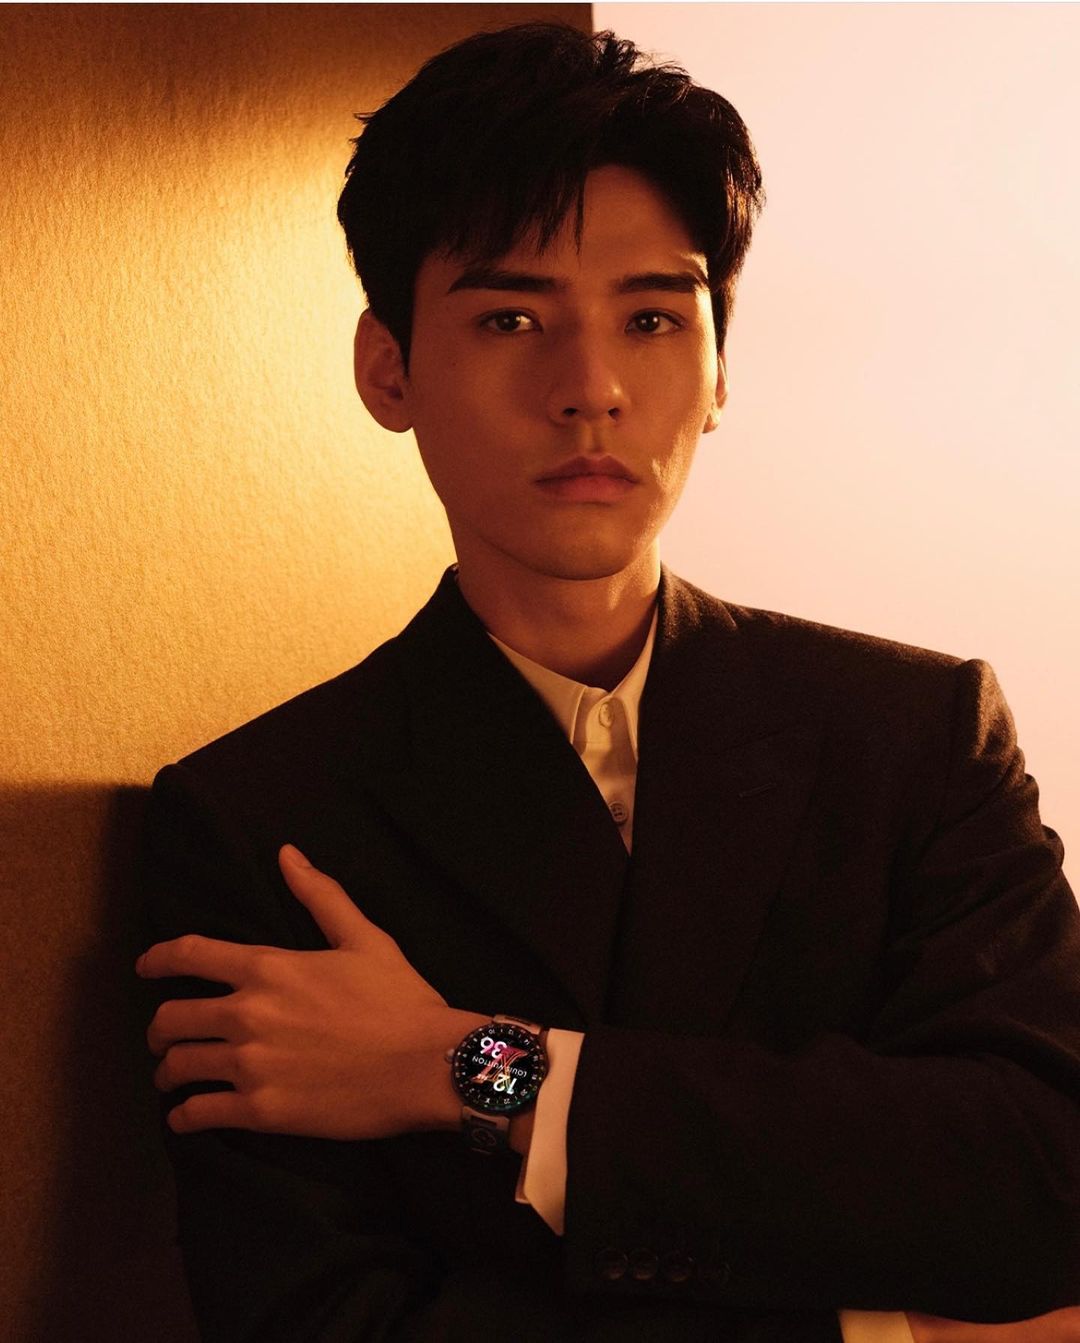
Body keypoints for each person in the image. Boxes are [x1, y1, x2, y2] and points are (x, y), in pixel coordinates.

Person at [137, 23, 1080, 1343]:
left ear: (721, 367)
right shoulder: (261, 822)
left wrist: (473, 1069)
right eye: (511, 318)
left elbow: (1044, 1180)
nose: (591, 389)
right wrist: (892, 1331)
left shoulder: (916, 737)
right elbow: (328, 1324)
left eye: (651, 318)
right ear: (388, 368)